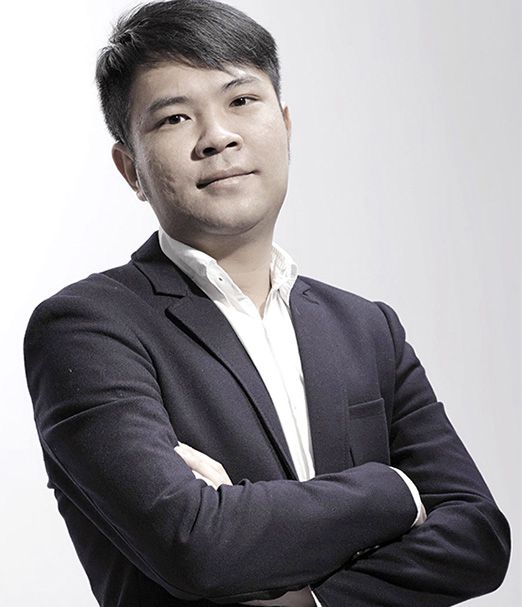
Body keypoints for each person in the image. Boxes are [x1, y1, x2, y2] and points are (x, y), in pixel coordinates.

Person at [23, 1, 510, 606]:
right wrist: (395, 490)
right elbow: (196, 546)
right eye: (174, 118)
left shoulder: (367, 328)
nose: (217, 137)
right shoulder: (87, 329)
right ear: (131, 170)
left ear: (284, 124)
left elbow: (479, 537)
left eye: (241, 100)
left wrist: (310, 600)